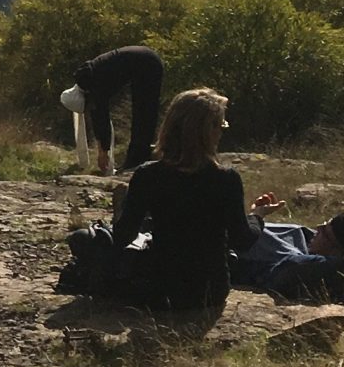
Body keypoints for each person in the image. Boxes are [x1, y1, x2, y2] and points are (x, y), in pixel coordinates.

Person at [59, 87, 250, 312]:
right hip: (210, 291)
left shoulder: (148, 175)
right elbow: (243, 240)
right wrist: (258, 216)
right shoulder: (226, 179)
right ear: (209, 131)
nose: (222, 132)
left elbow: (124, 235)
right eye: (221, 125)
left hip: (159, 289)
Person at [63, 45, 164, 175]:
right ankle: (135, 159)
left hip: (148, 64)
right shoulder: (87, 79)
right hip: (144, 60)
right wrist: (103, 150)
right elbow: (98, 117)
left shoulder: (94, 84)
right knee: (142, 114)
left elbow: (102, 120)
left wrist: (103, 153)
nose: (88, 109)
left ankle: (138, 161)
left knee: (144, 114)